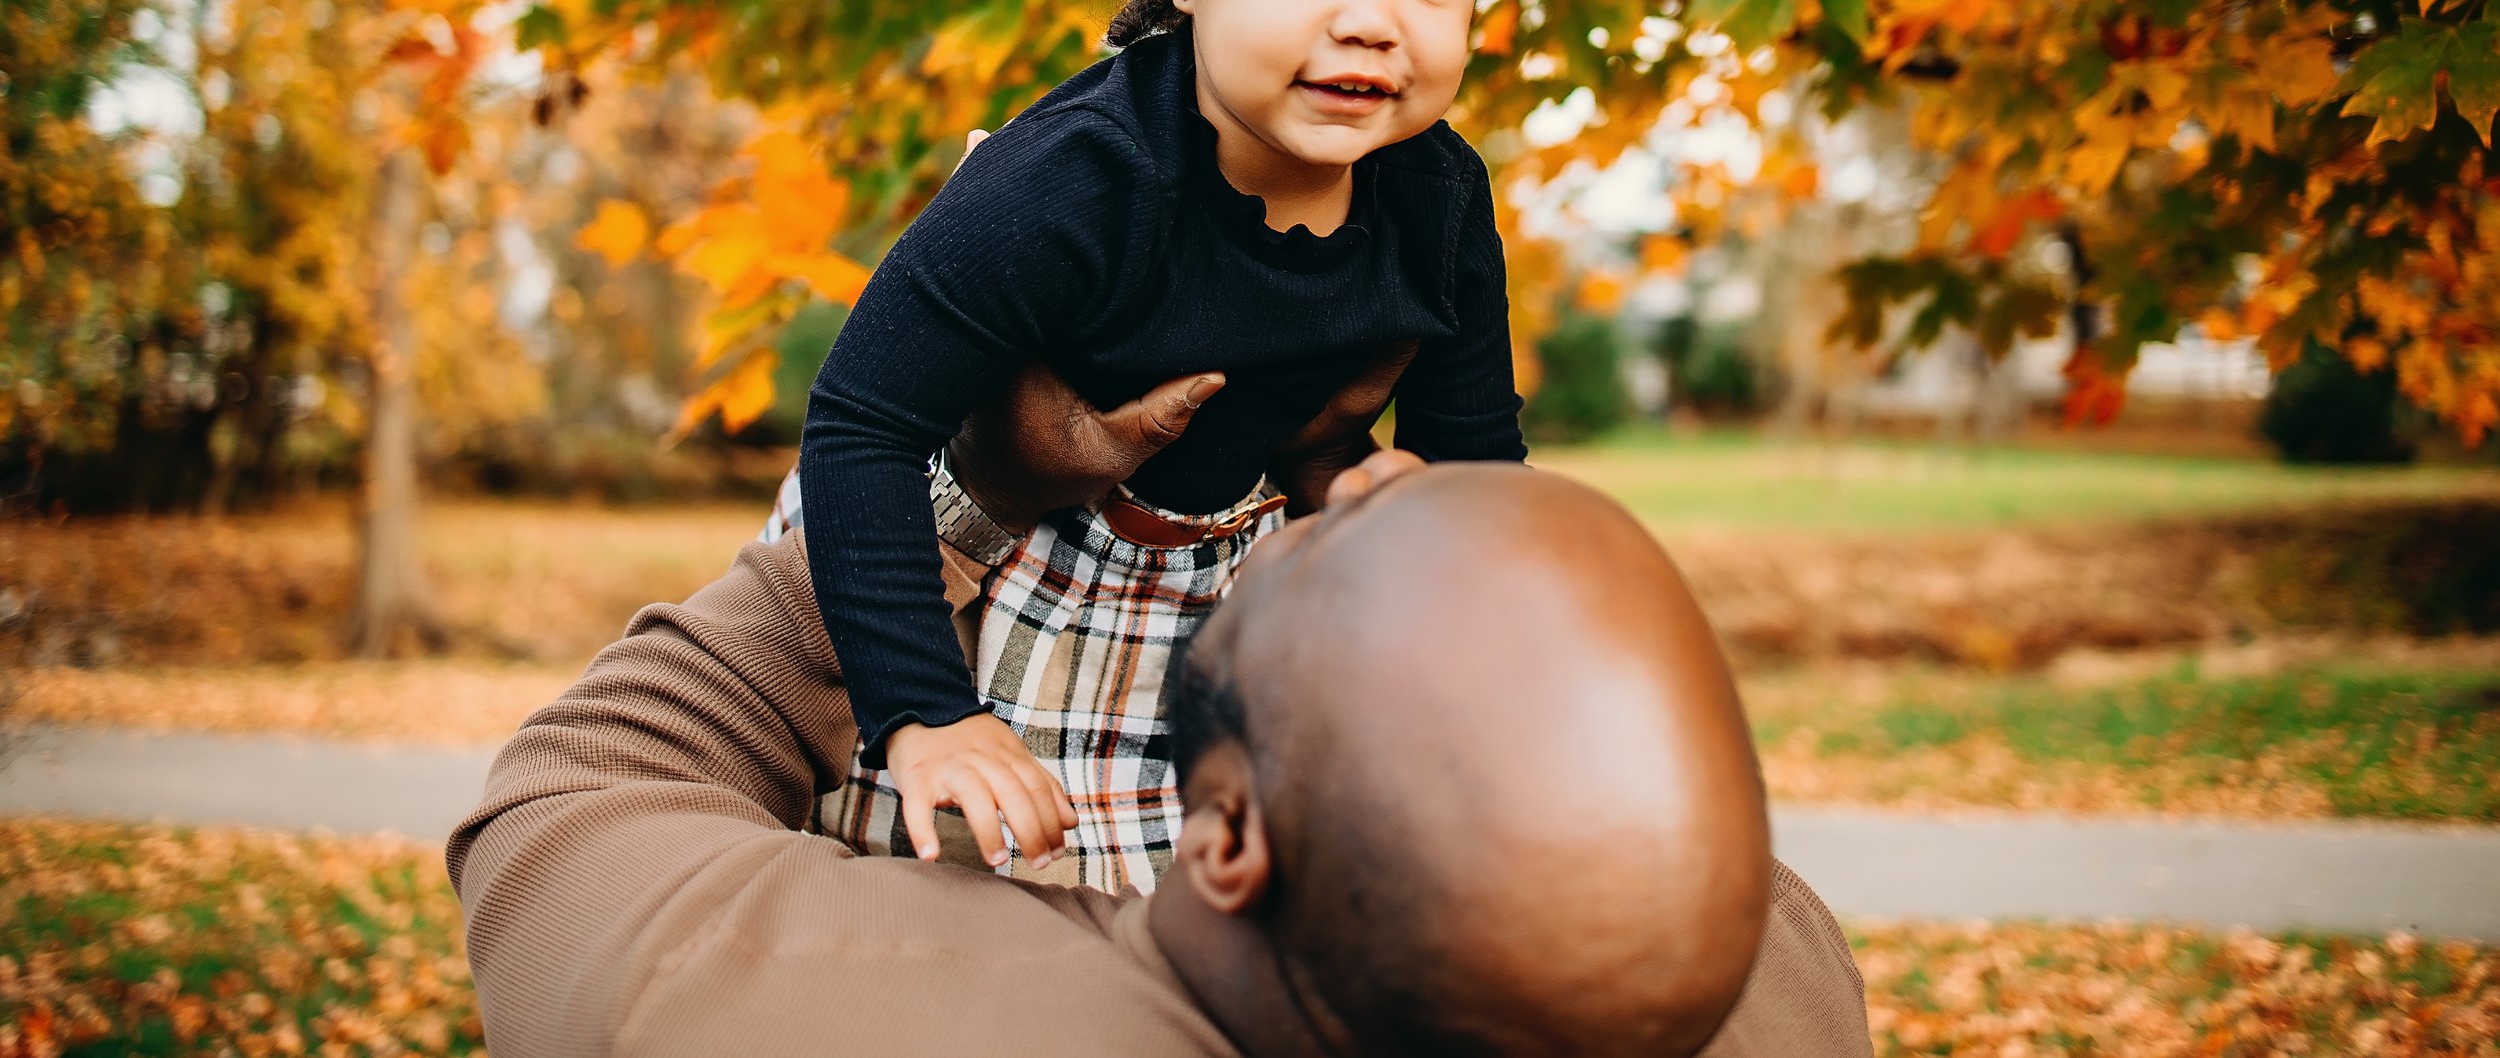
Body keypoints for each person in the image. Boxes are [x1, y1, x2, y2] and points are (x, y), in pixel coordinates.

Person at [788, 0, 1682, 891]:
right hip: (981, 577)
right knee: (984, 934)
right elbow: (859, 428)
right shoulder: (1078, 181)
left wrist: (1408, 504)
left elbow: (1475, 469)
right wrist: (927, 715)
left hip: (1227, 608)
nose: (1373, 17)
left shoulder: (1435, 201)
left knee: (1254, 944)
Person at [447, 411, 1873, 1058]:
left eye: (1343, 561)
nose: (1361, 489)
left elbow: (584, 789)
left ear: (1236, 835)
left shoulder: (799, 1004)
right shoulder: (1788, 998)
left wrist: (964, 496)